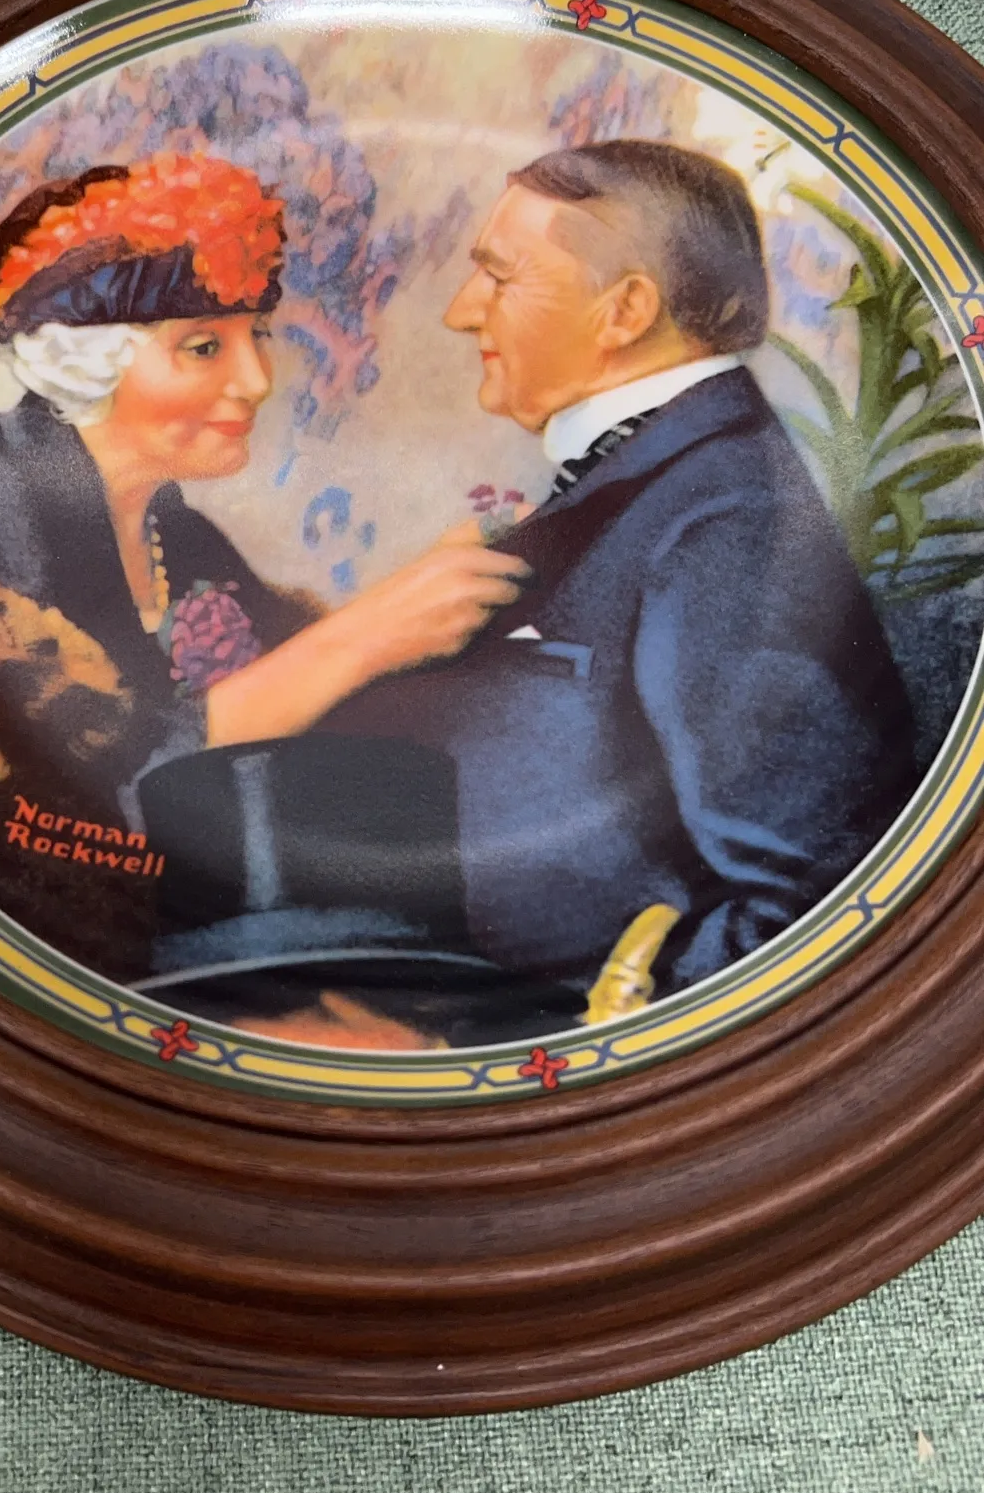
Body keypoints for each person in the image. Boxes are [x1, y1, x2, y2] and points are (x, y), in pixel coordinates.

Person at [0, 151, 529, 983]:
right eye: (203, 347)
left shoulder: (181, 539)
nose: (255, 381)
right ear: (83, 360)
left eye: (256, 336)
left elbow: (295, 718)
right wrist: (358, 641)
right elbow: (76, 792)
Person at [316, 138, 919, 1007]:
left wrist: (602, 1035)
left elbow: (817, 893)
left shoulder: (727, 518)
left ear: (625, 309)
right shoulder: (656, 481)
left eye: (498, 276)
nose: (459, 311)